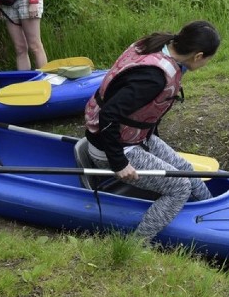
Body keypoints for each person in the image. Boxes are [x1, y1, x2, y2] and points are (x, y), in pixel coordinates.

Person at [84, 20, 221, 243]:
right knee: (180, 187)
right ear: (198, 56)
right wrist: (118, 163)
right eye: (208, 59)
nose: (207, 63)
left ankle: (213, 213)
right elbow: (108, 115)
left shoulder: (161, 44)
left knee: (185, 168)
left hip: (134, 137)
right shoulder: (153, 78)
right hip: (112, 146)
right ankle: (138, 243)